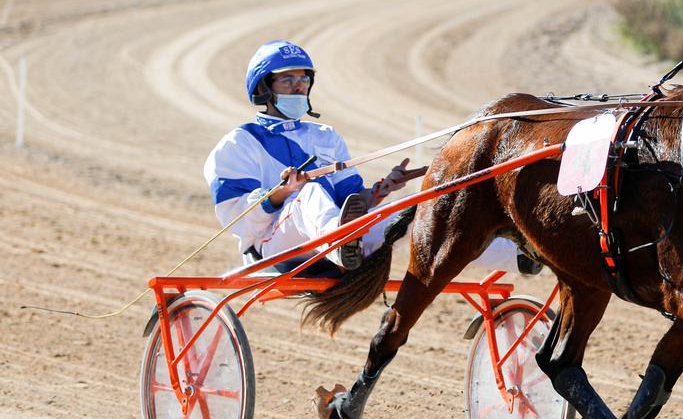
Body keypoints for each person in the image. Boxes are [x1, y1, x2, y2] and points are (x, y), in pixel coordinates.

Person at [204, 40, 527, 273]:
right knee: (309, 193)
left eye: (303, 79)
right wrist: (282, 193)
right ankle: (340, 245)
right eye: (288, 80)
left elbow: (349, 202)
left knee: (413, 215)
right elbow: (235, 219)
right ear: (264, 88)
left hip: (339, 242)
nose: (299, 86)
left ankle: (517, 254)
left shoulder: (325, 136)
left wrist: (381, 190)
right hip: (273, 249)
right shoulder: (240, 142)